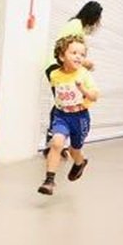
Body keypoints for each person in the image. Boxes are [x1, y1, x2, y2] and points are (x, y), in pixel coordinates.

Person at [39, 35, 99, 196]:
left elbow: (94, 96)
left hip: (80, 117)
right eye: (74, 53)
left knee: (74, 150)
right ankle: (49, 180)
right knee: (57, 143)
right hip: (61, 115)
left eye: (82, 54)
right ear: (61, 56)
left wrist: (83, 90)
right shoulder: (54, 75)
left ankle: (80, 163)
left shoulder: (84, 74)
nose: (79, 57)